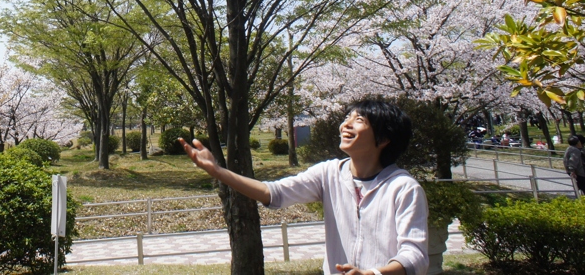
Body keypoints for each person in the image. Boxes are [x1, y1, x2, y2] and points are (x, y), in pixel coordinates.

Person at [181, 99, 428, 275]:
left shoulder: (403, 188)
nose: (345, 125)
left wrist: (373, 273)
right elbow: (273, 193)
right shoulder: (329, 173)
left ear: (384, 139)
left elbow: (415, 256)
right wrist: (217, 171)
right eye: (346, 119)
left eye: (359, 120)